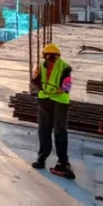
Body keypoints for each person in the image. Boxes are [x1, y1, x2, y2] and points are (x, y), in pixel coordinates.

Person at [31, 43, 75, 179]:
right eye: (47, 58)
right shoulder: (41, 67)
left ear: (56, 57)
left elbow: (67, 86)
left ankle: (63, 162)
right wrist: (36, 77)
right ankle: (42, 157)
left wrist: (60, 89)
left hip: (60, 102)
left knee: (59, 130)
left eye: (52, 58)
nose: (50, 62)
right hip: (45, 100)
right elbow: (36, 82)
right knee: (44, 130)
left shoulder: (65, 68)